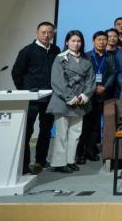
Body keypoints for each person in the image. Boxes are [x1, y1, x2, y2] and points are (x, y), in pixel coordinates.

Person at [11, 21, 61, 174]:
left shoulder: (56, 50)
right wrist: (25, 91)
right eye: (43, 32)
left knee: (46, 130)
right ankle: (24, 164)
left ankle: (40, 160)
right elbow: (16, 73)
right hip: (32, 98)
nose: (46, 35)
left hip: (49, 98)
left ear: (53, 34)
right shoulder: (27, 51)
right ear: (37, 33)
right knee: (27, 131)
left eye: (50, 32)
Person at [47, 30, 95, 173]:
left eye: (79, 41)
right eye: (73, 41)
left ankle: (70, 160)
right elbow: (57, 81)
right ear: (67, 42)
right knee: (61, 134)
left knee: (75, 133)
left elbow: (91, 80)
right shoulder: (60, 58)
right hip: (63, 100)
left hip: (80, 101)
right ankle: (58, 163)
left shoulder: (86, 60)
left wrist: (84, 96)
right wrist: (70, 97)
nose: (76, 43)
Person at [77, 30, 117, 164]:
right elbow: (83, 75)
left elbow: (113, 74)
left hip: (104, 94)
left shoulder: (110, 57)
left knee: (96, 125)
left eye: (104, 40)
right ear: (93, 41)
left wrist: (104, 87)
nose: (102, 42)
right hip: (88, 94)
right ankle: (80, 153)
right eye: (99, 40)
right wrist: (93, 87)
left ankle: (91, 150)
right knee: (85, 124)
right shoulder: (86, 56)